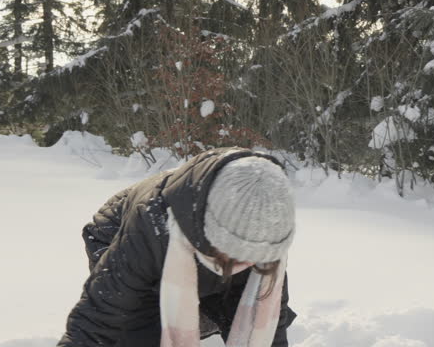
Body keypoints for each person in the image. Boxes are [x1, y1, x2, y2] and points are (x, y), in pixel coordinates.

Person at [58, 147, 297, 347]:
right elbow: (97, 319)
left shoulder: (267, 228)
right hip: (119, 236)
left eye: (254, 257)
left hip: (204, 255)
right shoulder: (150, 224)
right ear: (213, 233)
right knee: (143, 334)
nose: (249, 263)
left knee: (250, 321)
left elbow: (268, 321)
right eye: (239, 255)